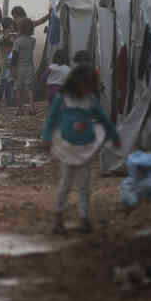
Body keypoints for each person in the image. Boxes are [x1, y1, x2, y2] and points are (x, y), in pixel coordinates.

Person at [42, 65, 121, 234]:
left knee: (84, 185)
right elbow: (51, 119)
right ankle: (58, 217)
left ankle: (84, 218)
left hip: (85, 147)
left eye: (90, 85)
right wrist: (47, 138)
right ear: (77, 83)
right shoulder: (63, 98)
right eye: (86, 84)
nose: (88, 88)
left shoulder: (90, 99)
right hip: (67, 147)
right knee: (65, 183)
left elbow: (104, 120)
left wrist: (114, 136)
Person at [12, 18, 37, 115]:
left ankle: (20, 109)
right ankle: (32, 107)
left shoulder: (17, 41)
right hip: (30, 67)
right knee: (29, 89)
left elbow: (14, 57)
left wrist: (13, 69)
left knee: (18, 89)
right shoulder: (33, 41)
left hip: (19, 68)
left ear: (20, 28)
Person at [0, 36, 16, 107]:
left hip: (9, 76)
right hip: (5, 75)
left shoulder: (10, 55)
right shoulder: (4, 55)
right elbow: (5, 64)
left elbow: (9, 64)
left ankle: (9, 102)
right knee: (4, 88)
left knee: (8, 89)